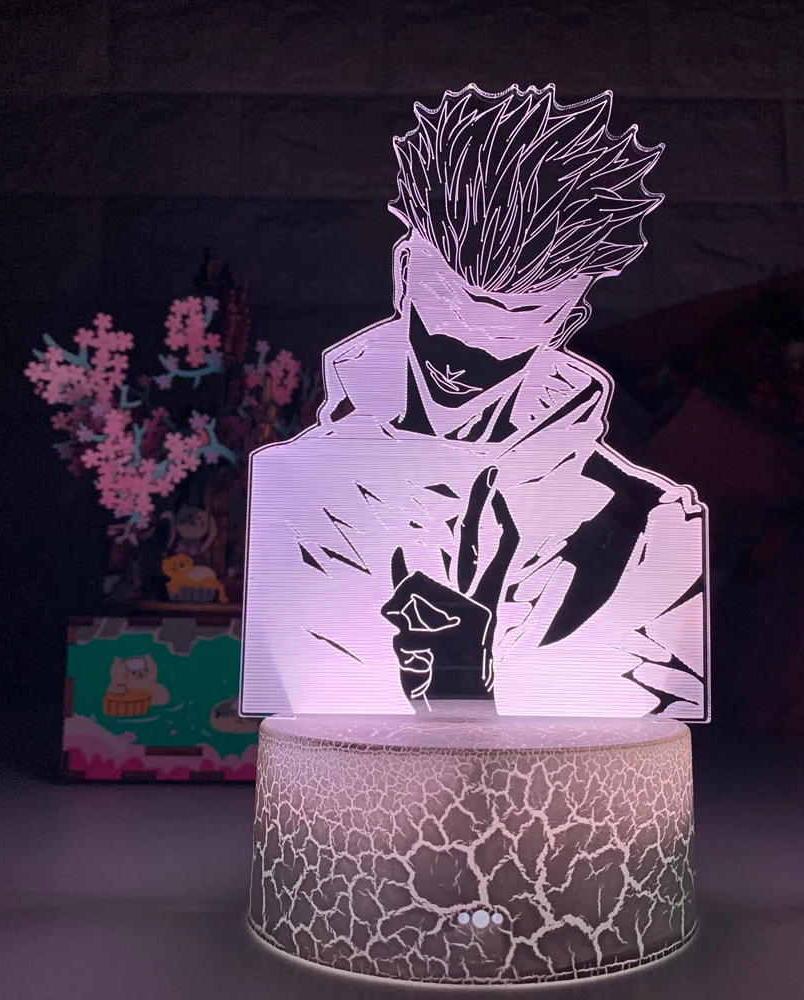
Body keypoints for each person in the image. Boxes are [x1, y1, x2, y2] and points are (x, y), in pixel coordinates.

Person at [241, 84, 708, 719]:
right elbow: (301, 727)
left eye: (511, 325)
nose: (462, 356)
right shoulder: (292, 487)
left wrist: (466, 693)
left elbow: (632, 752)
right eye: (446, 304)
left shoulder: (647, 523)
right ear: (405, 271)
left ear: (565, 320)